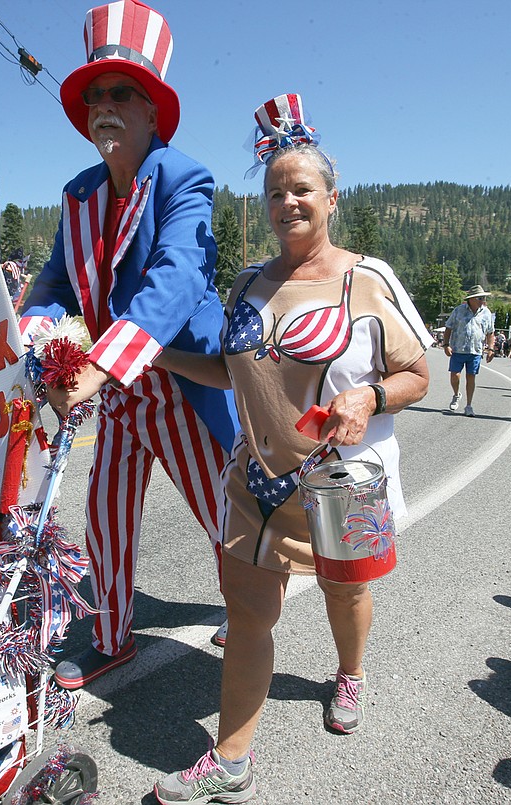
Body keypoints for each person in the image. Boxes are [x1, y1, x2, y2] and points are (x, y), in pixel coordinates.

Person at [152, 94, 431, 804]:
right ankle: (232, 755)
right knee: (247, 614)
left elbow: (418, 373)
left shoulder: (370, 279)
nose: (288, 202)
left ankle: (351, 672)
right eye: (276, 191)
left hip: (347, 480)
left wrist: (368, 396)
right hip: (257, 480)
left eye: (302, 189)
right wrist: (162, 358)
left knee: (347, 589)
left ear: (331, 198)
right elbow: (232, 371)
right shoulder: (249, 281)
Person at [17, 0, 238, 689]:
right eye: (94, 95)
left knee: (224, 516)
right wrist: (35, 344)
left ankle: (248, 606)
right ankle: (112, 636)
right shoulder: (77, 193)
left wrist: (103, 362)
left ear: (152, 111)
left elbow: (178, 276)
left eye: (120, 93)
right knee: (106, 520)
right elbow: (54, 282)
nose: (102, 106)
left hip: (173, 382)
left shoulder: (183, 178)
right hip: (116, 396)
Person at [443, 284, 494, 417]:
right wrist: (446, 344)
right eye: (479, 298)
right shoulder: (458, 310)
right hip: (458, 349)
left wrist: (490, 349)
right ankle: (456, 394)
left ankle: (469, 405)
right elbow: (448, 327)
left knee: (471, 377)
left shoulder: (486, 313)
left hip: (475, 351)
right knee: (455, 375)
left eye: (483, 298)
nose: (482, 300)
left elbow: (490, 332)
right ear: (471, 299)